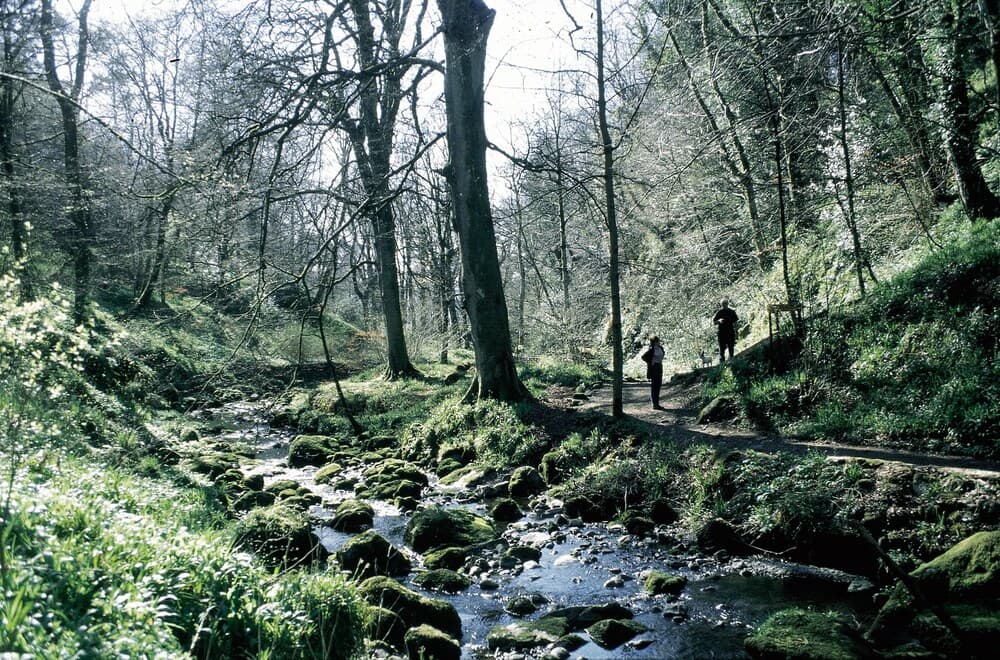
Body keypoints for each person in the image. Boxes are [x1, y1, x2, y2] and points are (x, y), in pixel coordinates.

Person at [641, 336, 666, 409]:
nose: (659, 342)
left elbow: (663, 354)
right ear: (654, 342)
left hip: (659, 367)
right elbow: (643, 357)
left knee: (658, 385)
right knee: (654, 386)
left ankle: (657, 403)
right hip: (654, 368)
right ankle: (655, 404)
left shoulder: (661, 348)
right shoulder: (651, 350)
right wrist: (650, 362)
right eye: (657, 341)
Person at [713, 298, 738, 362]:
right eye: (723, 304)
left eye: (725, 304)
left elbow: (735, 322)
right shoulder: (719, 312)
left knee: (731, 346)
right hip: (721, 333)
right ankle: (722, 363)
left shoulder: (732, 311)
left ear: (728, 304)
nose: (724, 305)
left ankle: (732, 360)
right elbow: (714, 322)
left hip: (730, 331)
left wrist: (736, 331)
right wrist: (719, 321)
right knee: (721, 348)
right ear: (721, 305)